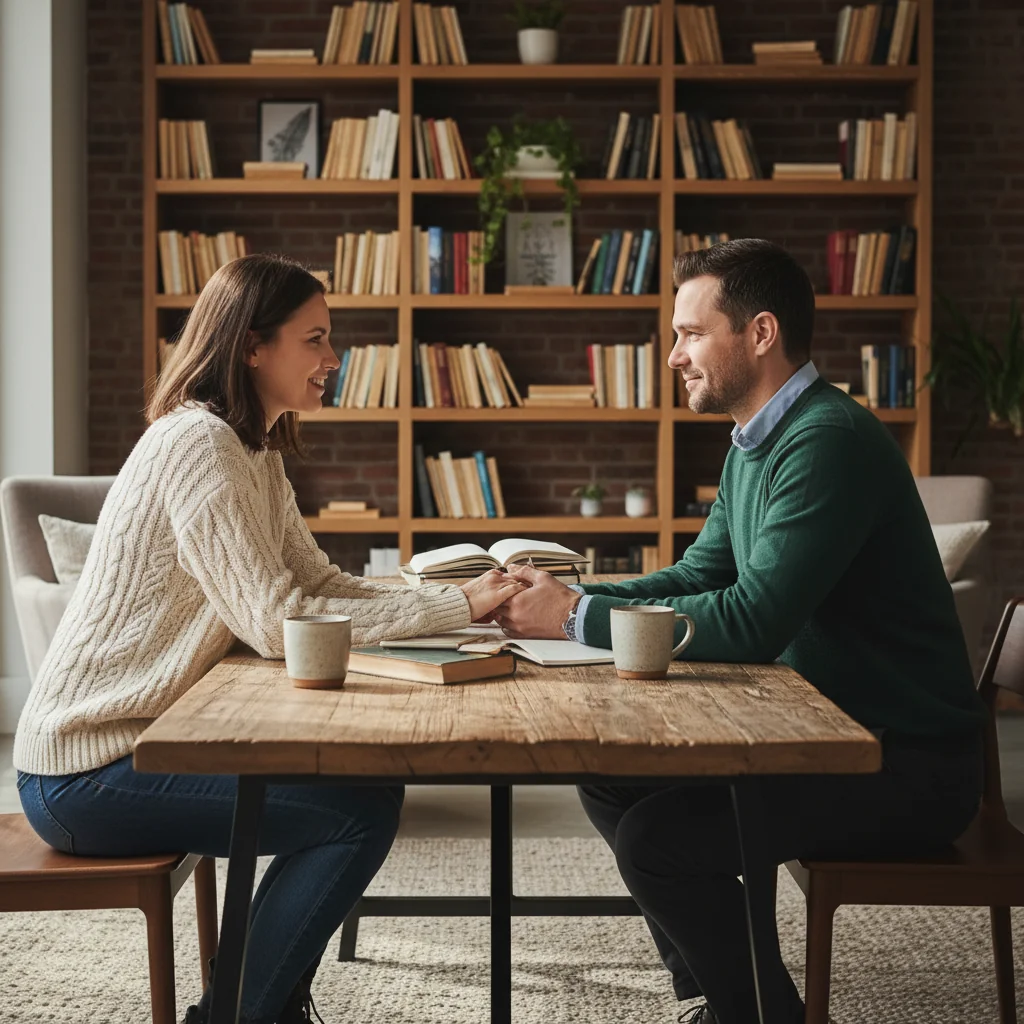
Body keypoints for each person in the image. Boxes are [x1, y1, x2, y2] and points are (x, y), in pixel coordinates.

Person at [12, 253, 525, 1024]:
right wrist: (456, 607)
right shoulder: (199, 445)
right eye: (315, 339)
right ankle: (234, 1013)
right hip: (85, 769)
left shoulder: (254, 450)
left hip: (139, 746)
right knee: (353, 816)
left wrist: (456, 598)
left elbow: (323, 584)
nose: (334, 359)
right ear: (254, 346)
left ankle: (263, 1003)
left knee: (366, 792)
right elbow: (275, 619)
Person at [492, 239, 986, 1024]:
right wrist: (566, 596)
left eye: (690, 332)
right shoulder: (756, 442)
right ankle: (718, 999)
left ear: (759, 334)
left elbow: (753, 620)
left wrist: (577, 619)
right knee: (613, 779)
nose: (673, 354)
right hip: (826, 736)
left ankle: (755, 1012)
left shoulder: (826, 441)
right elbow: (699, 578)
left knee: (659, 840)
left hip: (904, 763)